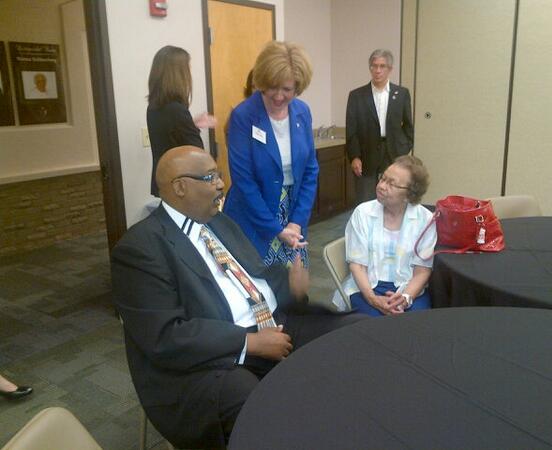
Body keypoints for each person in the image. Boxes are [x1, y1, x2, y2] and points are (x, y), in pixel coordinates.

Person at [111, 146, 363, 449]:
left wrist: (291, 290)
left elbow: (257, 276)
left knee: (354, 331)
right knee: (253, 403)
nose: (221, 184)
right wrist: (248, 342)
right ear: (180, 187)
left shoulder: (220, 221)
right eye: (210, 177)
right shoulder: (140, 248)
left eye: (219, 175)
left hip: (272, 322)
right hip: (207, 358)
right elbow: (165, 336)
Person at [224, 41, 318, 268]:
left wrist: (297, 221)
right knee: (259, 279)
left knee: (294, 281)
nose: (278, 96)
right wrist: (275, 228)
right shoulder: (244, 116)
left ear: (298, 87)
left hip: (293, 214)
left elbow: (310, 171)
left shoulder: (302, 112)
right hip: (254, 214)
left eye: (287, 89)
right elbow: (244, 181)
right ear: (262, 81)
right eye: (273, 87)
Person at [338, 155, 436, 316]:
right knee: (375, 324)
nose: (381, 186)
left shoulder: (426, 220)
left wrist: (406, 297)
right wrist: (373, 299)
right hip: (367, 286)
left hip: (408, 287)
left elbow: (422, 270)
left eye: (391, 184)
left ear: (409, 194)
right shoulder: (363, 213)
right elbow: (357, 266)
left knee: (417, 323)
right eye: (382, 179)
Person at [346, 49, 414, 204]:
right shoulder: (357, 96)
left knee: (393, 197)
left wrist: (404, 148)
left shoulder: (402, 94)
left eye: (382, 66)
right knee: (365, 199)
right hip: (366, 153)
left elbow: (408, 126)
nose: (377, 70)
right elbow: (351, 129)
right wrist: (355, 156)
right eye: (374, 66)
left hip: (393, 152)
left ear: (390, 69)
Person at [146, 45, 216, 196]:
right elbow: (197, 154)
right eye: (187, 70)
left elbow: (170, 138)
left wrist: (191, 124)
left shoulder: (154, 107)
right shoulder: (177, 110)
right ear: (178, 75)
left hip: (164, 180)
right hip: (180, 187)